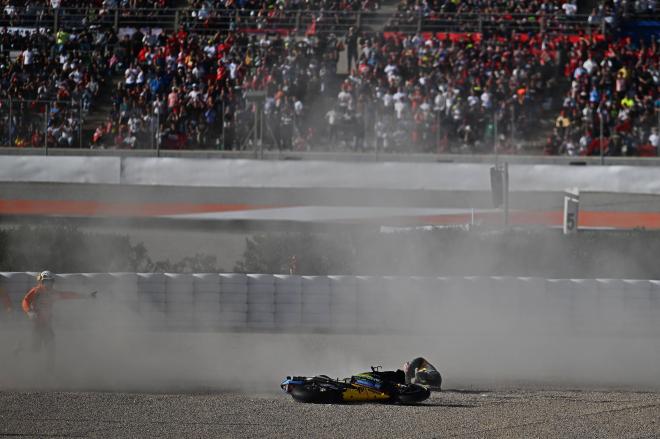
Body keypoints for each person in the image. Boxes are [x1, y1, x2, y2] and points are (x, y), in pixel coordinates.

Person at [21, 271, 96, 356]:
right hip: (36, 324)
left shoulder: (54, 293)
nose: (48, 284)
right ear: (41, 281)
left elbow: (70, 295)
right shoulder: (35, 291)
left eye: (50, 282)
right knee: (35, 348)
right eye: (46, 281)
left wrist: (87, 296)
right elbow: (25, 301)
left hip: (47, 323)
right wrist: (29, 311)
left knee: (51, 347)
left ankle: (49, 367)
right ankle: (21, 349)